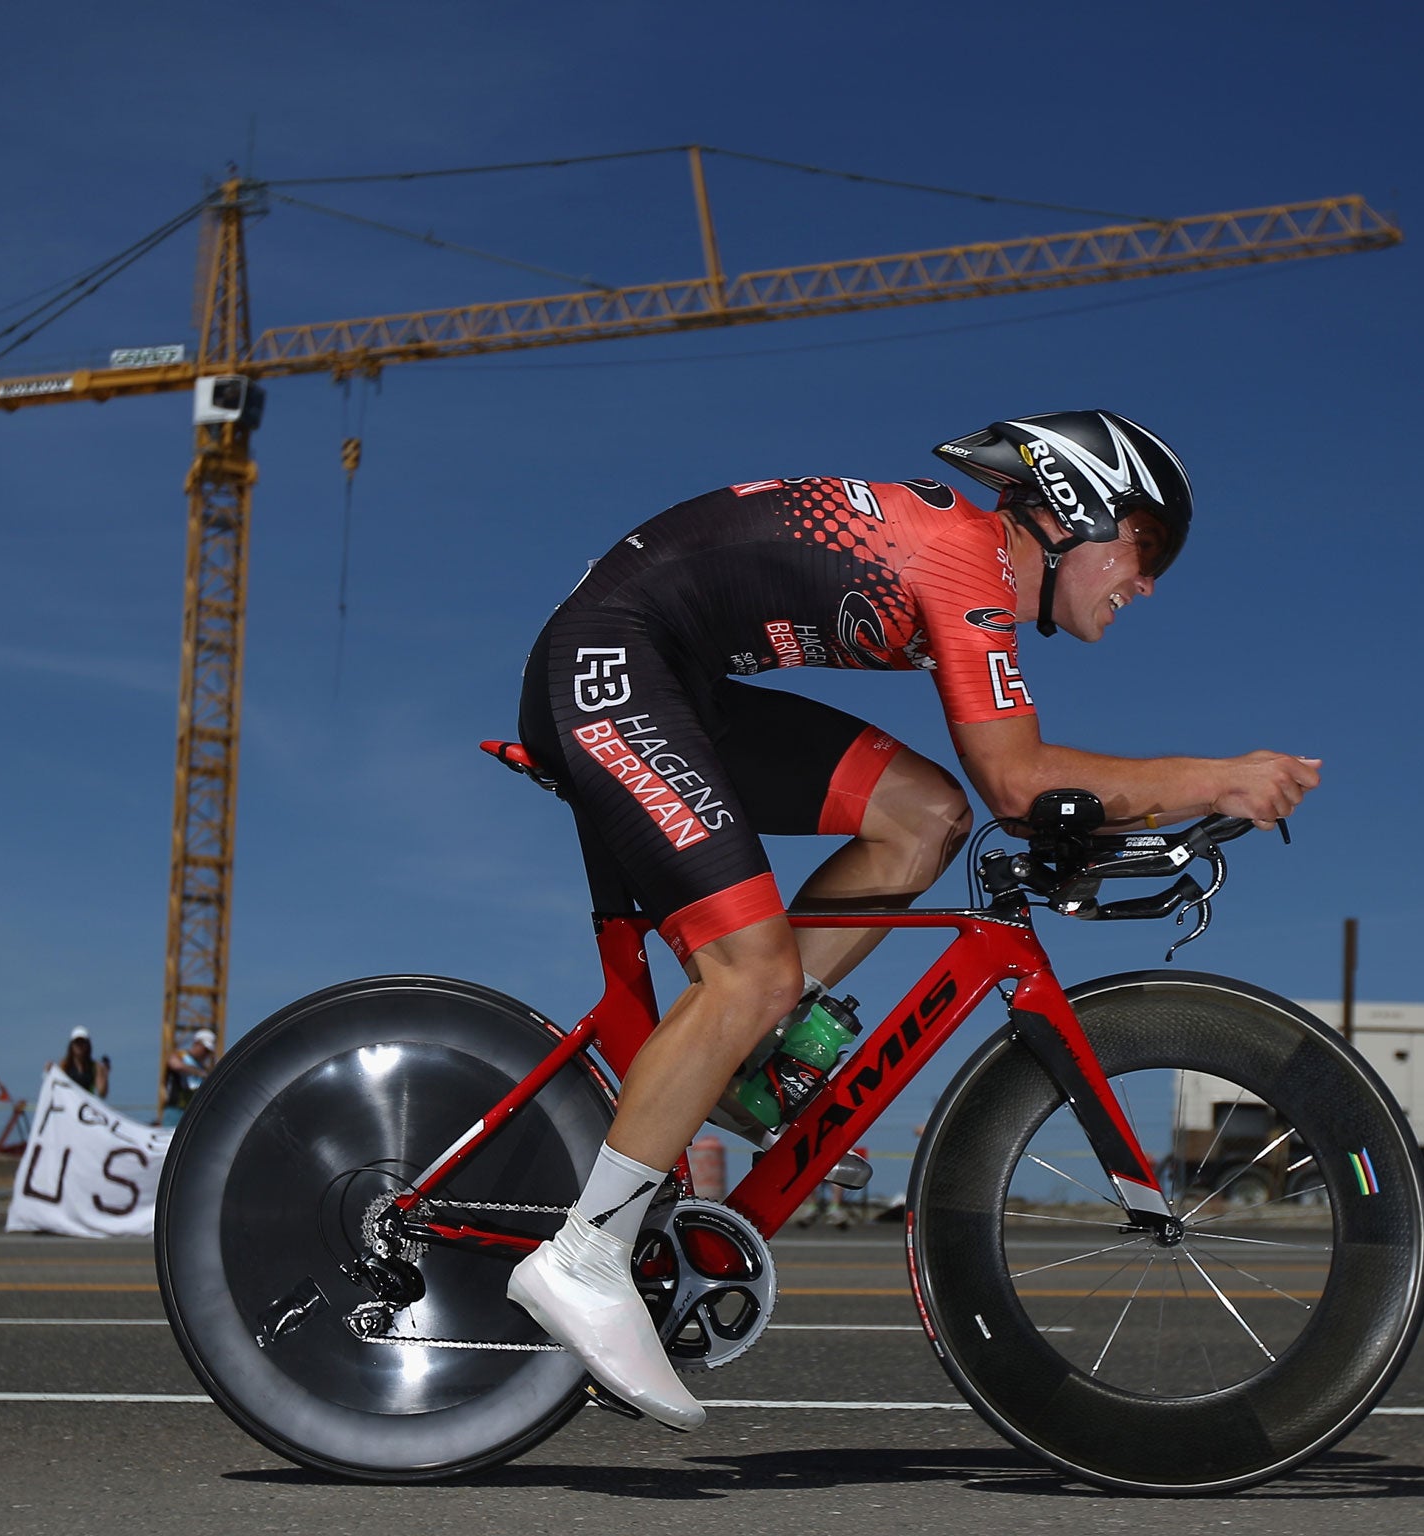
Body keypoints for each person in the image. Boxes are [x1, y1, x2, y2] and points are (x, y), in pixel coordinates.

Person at [503, 412, 1323, 1430]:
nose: (1144, 582)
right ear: (1072, 514)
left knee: (921, 819)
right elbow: (1020, 781)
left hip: (669, 676)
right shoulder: (961, 561)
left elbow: (991, 795)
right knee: (746, 971)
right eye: (1143, 550)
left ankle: (739, 1057)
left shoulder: (967, 572)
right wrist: (1219, 780)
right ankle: (584, 1257)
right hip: (610, 664)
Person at [161, 1029, 215, 1128]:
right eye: (205, 1050)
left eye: (208, 1052)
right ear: (197, 1043)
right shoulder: (181, 1056)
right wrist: (197, 1072)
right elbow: (175, 1065)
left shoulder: (204, 1067)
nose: (206, 1054)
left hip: (191, 1112)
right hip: (175, 1109)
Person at [48, 1025, 109, 1097]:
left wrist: (105, 1074)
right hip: (69, 1104)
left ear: (87, 1045)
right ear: (71, 1045)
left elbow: (102, 1093)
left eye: (82, 1042)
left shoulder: (95, 1067)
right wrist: (50, 1071)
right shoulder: (64, 1065)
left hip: (87, 1105)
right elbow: (57, 1086)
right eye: (77, 1042)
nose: (79, 1045)